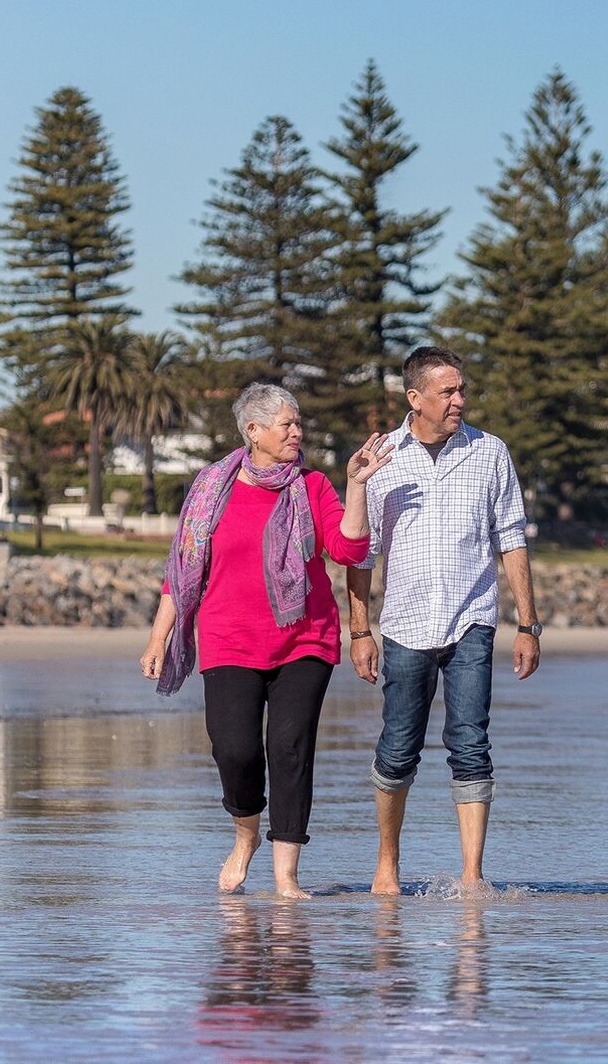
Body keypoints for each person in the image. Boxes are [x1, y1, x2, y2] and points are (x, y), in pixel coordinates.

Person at [140, 383, 393, 898]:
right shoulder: (212, 487)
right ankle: (246, 834)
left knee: (290, 747)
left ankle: (286, 875)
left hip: (306, 637)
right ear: (253, 432)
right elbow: (183, 570)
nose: (297, 432)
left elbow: (346, 549)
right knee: (233, 750)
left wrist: (359, 486)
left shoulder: (314, 486)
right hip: (228, 638)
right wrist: (159, 637)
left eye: (299, 423)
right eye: (286, 424)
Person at [346, 345, 542, 896]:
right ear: (415, 398)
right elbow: (359, 552)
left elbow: (511, 541)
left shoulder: (490, 452)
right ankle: (387, 863)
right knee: (398, 745)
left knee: (471, 742)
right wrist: (359, 631)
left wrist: (528, 624)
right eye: (448, 391)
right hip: (404, 625)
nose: (460, 400)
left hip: (472, 620)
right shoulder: (381, 457)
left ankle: (473, 875)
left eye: (462, 390)